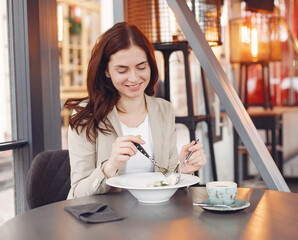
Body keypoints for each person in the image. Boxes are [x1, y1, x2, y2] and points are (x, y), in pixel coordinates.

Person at [64, 22, 207, 199]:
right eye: (122, 70)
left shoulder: (163, 110)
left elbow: (167, 178)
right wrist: (109, 167)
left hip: (154, 216)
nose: (134, 78)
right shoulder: (85, 116)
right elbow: (77, 193)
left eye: (141, 67)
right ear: (106, 71)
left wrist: (183, 170)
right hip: (105, 221)